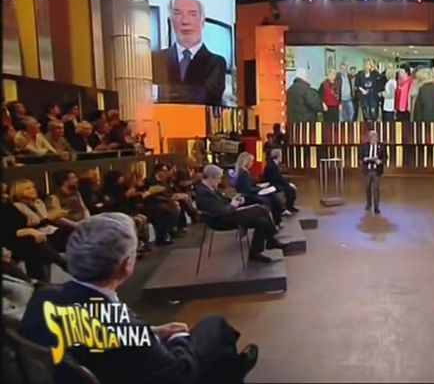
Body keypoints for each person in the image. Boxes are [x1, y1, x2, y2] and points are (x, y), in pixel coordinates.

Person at [19, 213, 260, 384]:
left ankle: (231, 367)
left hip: (93, 367)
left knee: (218, 349)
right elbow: (178, 373)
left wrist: (152, 332)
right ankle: (231, 369)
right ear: (126, 265)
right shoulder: (124, 329)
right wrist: (177, 338)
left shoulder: (43, 297)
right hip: (137, 373)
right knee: (214, 326)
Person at [196, 165, 287, 263]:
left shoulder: (209, 188)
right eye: (218, 178)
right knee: (262, 210)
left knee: (262, 221)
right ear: (211, 177)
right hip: (219, 220)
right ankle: (271, 240)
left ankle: (256, 252)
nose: (219, 181)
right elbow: (219, 212)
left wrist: (236, 200)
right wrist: (233, 205)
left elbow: (223, 202)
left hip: (227, 214)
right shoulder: (203, 192)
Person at [152, 0, 226, 106]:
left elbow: (207, 95)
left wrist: (158, 92)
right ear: (171, 21)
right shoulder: (155, 59)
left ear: (202, 21)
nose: (185, 21)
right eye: (178, 14)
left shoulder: (216, 63)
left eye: (192, 14)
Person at [234, 151, 285, 226]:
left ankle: (277, 219)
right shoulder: (243, 173)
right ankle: (276, 220)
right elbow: (248, 190)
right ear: (247, 162)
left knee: (273, 196)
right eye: (251, 161)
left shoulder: (244, 172)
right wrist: (259, 188)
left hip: (250, 193)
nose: (252, 163)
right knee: (270, 199)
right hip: (248, 196)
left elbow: (250, 185)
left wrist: (259, 185)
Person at [262, 148, 299, 214]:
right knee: (290, 189)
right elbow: (277, 178)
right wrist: (288, 184)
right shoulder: (271, 165)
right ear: (277, 156)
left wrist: (288, 182)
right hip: (272, 184)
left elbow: (279, 177)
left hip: (275, 182)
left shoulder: (274, 164)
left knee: (290, 188)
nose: (281, 157)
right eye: (281, 155)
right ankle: (289, 207)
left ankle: (290, 207)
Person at [359, 130, 387, 214]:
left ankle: (376, 207)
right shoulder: (364, 146)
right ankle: (369, 203)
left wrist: (380, 161)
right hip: (367, 170)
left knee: (376, 189)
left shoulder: (381, 146)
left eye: (375, 138)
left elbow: (385, 157)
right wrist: (364, 159)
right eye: (372, 138)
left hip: (377, 171)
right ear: (370, 138)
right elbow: (360, 156)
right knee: (367, 187)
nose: (374, 139)